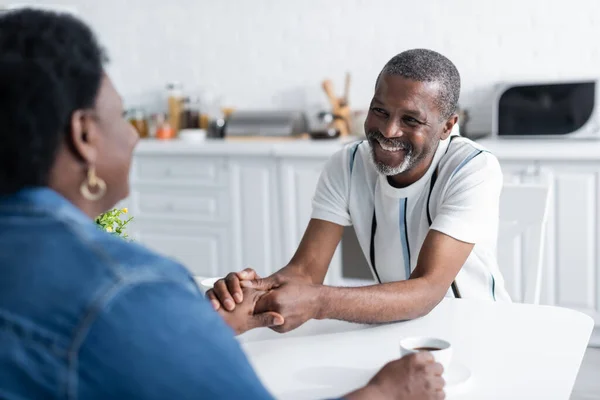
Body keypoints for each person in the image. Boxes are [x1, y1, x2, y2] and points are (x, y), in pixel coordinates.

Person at [0, 8, 445, 400]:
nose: (134, 135)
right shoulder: (132, 289)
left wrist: (224, 317)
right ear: (84, 135)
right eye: (121, 117)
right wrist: (385, 393)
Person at [209, 49, 511, 333]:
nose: (388, 131)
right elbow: (304, 273)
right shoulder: (347, 163)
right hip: (395, 328)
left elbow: (427, 290)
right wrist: (253, 291)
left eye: (410, 120)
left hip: (477, 329)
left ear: (447, 126)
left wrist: (318, 301)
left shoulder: (473, 168)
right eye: (380, 111)